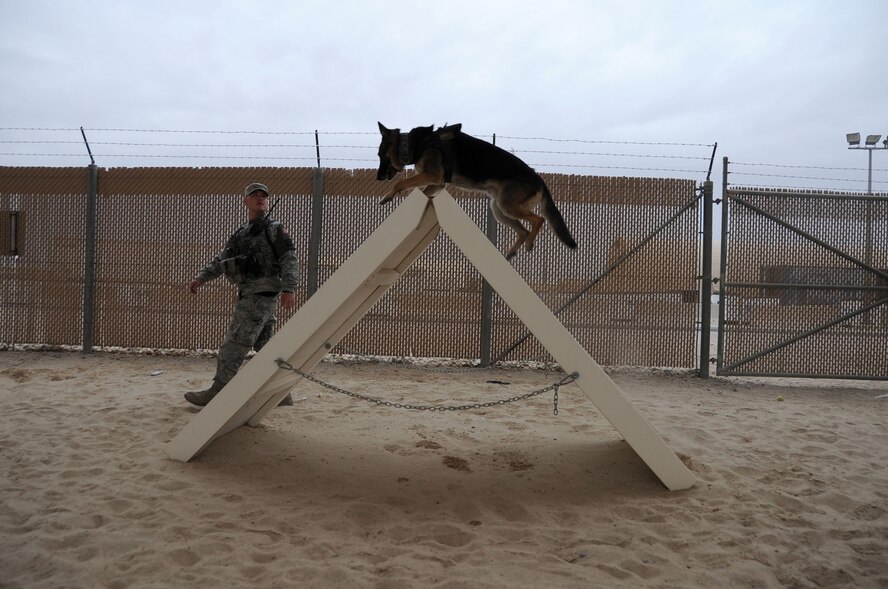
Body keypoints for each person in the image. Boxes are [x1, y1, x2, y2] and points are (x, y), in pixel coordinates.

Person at [184, 182, 300, 407]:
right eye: (254, 195)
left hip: (261, 294)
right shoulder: (241, 234)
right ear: (245, 200)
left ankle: (218, 391)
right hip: (251, 292)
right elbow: (222, 260)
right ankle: (282, 395)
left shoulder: (274, 228)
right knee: (266, 346)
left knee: (234, 343)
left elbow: (289, 258)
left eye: (263, 196)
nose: (260, 198)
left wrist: (289, 288)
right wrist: (201, 277)